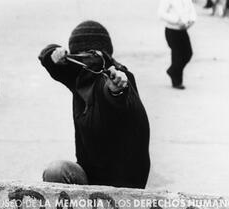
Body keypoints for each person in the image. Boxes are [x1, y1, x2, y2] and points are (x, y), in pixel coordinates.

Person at [39, 21, 150, 189]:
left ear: (104, 54)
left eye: (91, 53)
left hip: (124, 184)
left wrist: (116, 90)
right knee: (56, 171)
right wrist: (53, 54)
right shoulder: (79, 77)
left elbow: (118, 101)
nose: (87, 59)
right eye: (80, 55)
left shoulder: (118, 77)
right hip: (91, 179)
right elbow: (49, 62)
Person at [158, 0, 196, 89]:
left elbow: (192, 11)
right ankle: (177, 82)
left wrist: (191, 21)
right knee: (177, 55)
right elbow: (161, 13)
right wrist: (176, 20)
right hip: (171, 30)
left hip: (183, 30)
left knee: (188, 53)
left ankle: (173, 71)